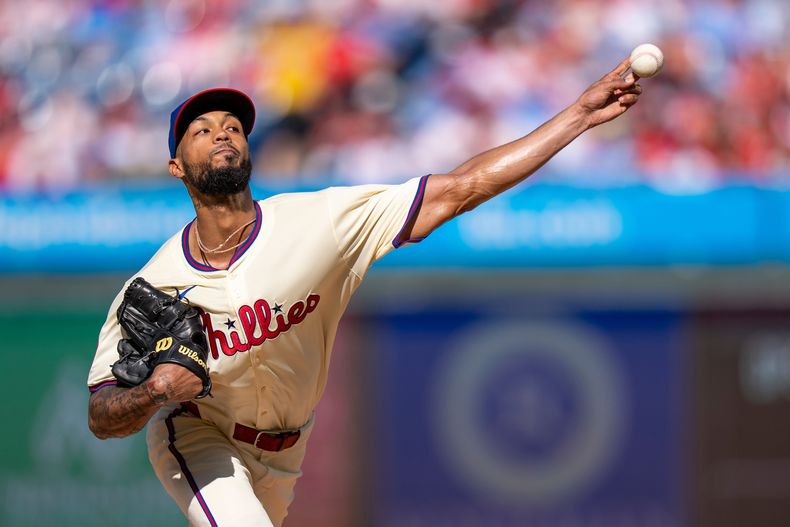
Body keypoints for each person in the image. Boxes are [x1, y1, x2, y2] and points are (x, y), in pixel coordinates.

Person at [87, 58, 642, 526]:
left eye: (233, 126)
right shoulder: (154, 283)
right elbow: (100, 414)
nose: (223, 133)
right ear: (176, 166)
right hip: (199, 434)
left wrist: (578, 115)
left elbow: (460, 188)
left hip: (288, 450)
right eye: (202, 130)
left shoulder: (319, 222)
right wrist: (154, 392)